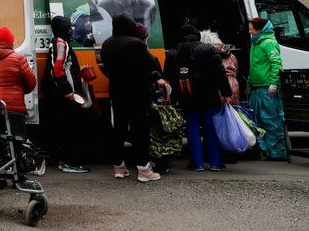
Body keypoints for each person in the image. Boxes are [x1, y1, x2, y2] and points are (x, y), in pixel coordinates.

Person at [100, 14, 165, 181]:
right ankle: (143, 170)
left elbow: (105, 67)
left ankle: (119, 168)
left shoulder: (107, 44)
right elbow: (151, 64)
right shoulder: (136, 44)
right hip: (138, 93)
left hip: (117, 93)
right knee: (140, 130)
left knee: (119, 129)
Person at [164, 25, 232, 171]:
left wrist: (172, 98)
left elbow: (168, 78)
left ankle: (197, 163)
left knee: (192, 128)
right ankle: (215, 163)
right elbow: (220, 74)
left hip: (186, 96)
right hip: (209, 95)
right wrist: (226, 94)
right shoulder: (208, 49)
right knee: (211, 128)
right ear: (197, 35)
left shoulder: (172, 53)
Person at [0, 26, 37, 187]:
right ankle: (17, 175)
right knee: (15, 142)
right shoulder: (18, 58)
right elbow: (31, 83)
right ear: (9, 41)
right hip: (13, 108)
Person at [45, 16, 91, 173]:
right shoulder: (60, 43)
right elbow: (57, 70)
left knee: (65, 129)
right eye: (69, 28)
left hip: (59, 94)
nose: (72, 31)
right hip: (64, 96)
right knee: (71, 130)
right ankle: (70, 163)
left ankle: (66, 161)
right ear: (63, 29)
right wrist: (68, 92)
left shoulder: (58, 42)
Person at [248, 17, 287, 161]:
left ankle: (277, 152)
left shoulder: (269, 43)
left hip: (267, 88)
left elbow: (276, 63)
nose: (249, 31)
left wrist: (274, 83)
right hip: (257, 88)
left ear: (259, 29)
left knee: (271, 120)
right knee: (257, 121)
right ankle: (263, 150)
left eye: (251, 28)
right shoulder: (256, 43)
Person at [200, 31, 240, 105]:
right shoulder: (231, 56)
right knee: (232, 115)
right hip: (234, 88)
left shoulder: (208, 56)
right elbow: (236, 72)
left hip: (219, 91)